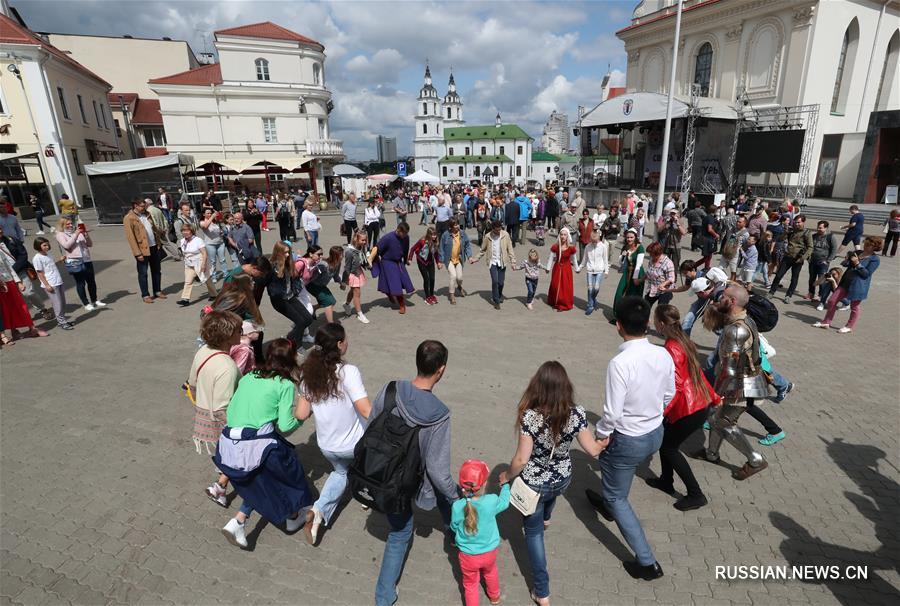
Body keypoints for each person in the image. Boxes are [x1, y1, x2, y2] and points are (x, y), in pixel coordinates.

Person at [584, 296, 673, 581]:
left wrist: (601, 437)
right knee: (616, 477)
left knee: (617, 495)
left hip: (628, 439)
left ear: (618, 326)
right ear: (647, 324)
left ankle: (647, 563)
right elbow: (670, 393)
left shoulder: (620, 363)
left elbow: (610, 413)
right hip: (655, 433)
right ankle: (607, 502)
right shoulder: (663, 354)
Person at [502, 361, 605, 605]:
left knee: (533, 535)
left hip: (535, 484)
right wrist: (603, 442)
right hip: (562, 479)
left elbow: (521, 459)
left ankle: (542, 592)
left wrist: (506, 476)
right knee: (550, 498)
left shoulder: (531, 417)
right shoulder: (577, 412)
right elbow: (592, 450)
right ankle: (547, 516)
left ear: (538, 386)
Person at [372, 340, 459, 606]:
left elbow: (371, 426)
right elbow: (437, 471)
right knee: (403, 532)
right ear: (441, 370)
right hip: (412, 480)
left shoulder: (390, 389)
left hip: (383, 474)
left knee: (400, 525)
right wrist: (458, 496)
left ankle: (385, 597)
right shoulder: (439, 414)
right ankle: (458, 532)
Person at [214, 339, 313, 549]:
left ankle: (239, 521)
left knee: (259, 479)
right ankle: (293, 514)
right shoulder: (285, 384)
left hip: (228, 442)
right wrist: (304, 415)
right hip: (256, 445)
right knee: (288, 475)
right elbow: (286, 425)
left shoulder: (250, 375)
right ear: (291, 358)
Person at [295, 323, 371, 546]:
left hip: (327, 446)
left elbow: (301, 413)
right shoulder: (348, 372)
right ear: (339, 345)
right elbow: (366, 410)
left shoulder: (307, 374)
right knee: (365, 465)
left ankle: (317, 512)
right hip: (354, 445)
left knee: (340, 473)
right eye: (345, 339)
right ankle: (366, 494)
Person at [645, 305, 720, 511]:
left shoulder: (672, 348)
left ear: (661, 324)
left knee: (670, 448)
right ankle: (666, 481)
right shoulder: (683, 341)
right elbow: (698, 372)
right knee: (665, 442)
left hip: (688, 408)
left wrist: (663, 412)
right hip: (699, 402)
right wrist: (713, 396)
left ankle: (696, 494)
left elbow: (676, 386)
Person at [696, 285, 769, 480]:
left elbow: (729, 368)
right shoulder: (745, 319)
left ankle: (755, 459)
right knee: (716, 418)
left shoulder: (735, 330)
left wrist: (716, 393)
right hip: (744, 379)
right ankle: (711, 454)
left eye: (723, 297)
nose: (719, 299)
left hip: (740, 384)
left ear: (733, 301)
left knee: (723, 422)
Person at [189, 311, 242, 504]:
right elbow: (224, 408)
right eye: (239, 330)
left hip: (204, 413)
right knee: (241, 454)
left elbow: (192, 385)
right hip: (223, 421)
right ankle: (222, 481)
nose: (242, 332)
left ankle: (220, 486)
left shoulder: (202, 351)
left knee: (231, 454)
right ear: (228, 336)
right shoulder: (227, 366)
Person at [451, 459, 509, 606]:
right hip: (489, 552)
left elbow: (453, 526)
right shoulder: (491, 501)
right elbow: (504, 502)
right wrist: (505, 485)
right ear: (484, 484)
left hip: (467, 555)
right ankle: (494, 597)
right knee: (490, 573)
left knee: (470, 584)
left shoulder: (458, 506)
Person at [813, 237, 882, 333]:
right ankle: (826, 322)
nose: (865, 246)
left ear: (875, 247)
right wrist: (847, 260)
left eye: (868, 245)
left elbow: (866, 274)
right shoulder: (858, 252)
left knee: (854, 307)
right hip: (845, 282)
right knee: (832, 301)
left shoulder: (875, 259)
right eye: (865, 244)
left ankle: (849, 326)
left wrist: (857, 264)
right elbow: (846, 264)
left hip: (858, 286)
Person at [265, 241, 315, 344]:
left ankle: (289, 338)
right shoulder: (271, 267)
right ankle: (296, 345)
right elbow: (265, 284)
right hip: (280, 301)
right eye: (285, 253)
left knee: (308, 319)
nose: (288, 255)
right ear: (278, 253)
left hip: (290, 296)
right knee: (300, 322)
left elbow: (294, 278)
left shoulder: (289, 262)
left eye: (289, 252)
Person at [0, 235, 47, 341]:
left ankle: (32, 328)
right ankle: (14, 332)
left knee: (22, 304)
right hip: (2, 284)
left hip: (12, 279)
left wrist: (17, 281)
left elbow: (11, 265)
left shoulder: (10, 239)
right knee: (7, 308)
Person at [54, 219, 106, 312]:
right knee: (81, 283)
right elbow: (66, 245)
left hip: (87, 259)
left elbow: (89, 244)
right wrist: (76, 234)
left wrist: (86, 234)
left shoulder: (78, 231)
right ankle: (86, 303)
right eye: (68, 224)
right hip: (75, 262)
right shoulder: (60, 234)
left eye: (71, 223)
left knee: (91, 282)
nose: (70, 225)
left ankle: (94, 300)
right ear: (62, 225)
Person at [123, 198, 166, 304]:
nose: (144, 208)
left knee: (156, 271)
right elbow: (131, 238)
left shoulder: (147, 214)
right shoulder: (129, 218)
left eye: (145, 206)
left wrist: (159, 238)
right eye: (142, 206)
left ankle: (157, 291)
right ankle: (145, 295)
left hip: (154, 246)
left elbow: (153, 228)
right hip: (142, 250)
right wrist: (137, 253)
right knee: (143, 273)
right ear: (135, 206)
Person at [468, 220, 517, 310]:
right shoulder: (487, 236)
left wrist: (513, 262)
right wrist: (475, 259)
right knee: (495, 281)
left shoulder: (505, 235)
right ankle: (496, 301)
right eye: (496, 230)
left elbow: (510, 250)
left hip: (502, 262)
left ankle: (498, 294)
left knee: (501, 283)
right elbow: (482, 250)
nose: (498, 232)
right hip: (492, 262)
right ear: (493, 229)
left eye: (499, 229)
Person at [767, 214, 813, 304]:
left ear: (803, 222)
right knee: (778, 275)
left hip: (798, 259)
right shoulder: (791, 230)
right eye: (795, 222)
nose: (796, 224)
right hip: (787, 256)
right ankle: (771, 292)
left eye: (799, 222)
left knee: (794, 278)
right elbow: (780, 239)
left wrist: (803, 258)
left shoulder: (807, 233)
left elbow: (810, 247)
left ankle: (788, 295)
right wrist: (786, 232)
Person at [370, 223, 414, 314]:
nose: (405, 236)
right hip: (388, 262)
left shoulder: (406, 237)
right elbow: (376, 248)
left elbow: (406, 249)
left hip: (398, 262)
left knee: (402, 281)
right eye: (404, 233)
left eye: (406, 233)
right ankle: (401, 305)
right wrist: (370, 259)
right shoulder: (388, 238)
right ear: (398, 230)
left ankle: (394, 296)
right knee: (394, 284)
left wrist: (405, 260)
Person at [31, 237, 74, 330]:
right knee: (57, 304)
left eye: (47, 244)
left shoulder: (49, 254)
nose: (47, 246)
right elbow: (40, 273)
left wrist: (60, 260)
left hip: (58, 281)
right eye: (44, 245)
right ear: (38, 246)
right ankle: (62, 322)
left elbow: (52, 266)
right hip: (51, 283)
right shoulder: (37, 258)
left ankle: (62, 321)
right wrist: (46, 285)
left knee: (62, 302)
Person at [177, 223, 217, 307]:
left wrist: (203, 264)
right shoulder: (182, 241)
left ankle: (214, 294)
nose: (185, 232)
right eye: (183, 231)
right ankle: (185, 299)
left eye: (187, 230)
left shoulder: (198, 240)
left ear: (191, 231)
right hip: (189, 263)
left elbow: (204, 253)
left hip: (199, 262)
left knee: (206, 279)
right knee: (188, 281)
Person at [301, 245, 343, 323]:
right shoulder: (323, 265)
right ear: (334, 256)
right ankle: (331, 324)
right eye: (340, 255)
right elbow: (311, 276)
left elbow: (336, 276)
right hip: (313, 285)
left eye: (342, 254)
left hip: (321, 286)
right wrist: (302, 287)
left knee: (331, 301)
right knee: (329, 302)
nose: (342, 256)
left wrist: (341, 283)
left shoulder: (338, 263)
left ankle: (313, 308)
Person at [610, 229, 645, 323]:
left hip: (637, 273)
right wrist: (623, 256)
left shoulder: (640, 247)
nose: (629, 239)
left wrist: (635, 277)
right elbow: (621, 262)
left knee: (633, 296)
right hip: (627, 272)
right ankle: (619, 316)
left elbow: (639, 263)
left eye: (631, 237)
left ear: (635, 237)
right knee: (620, 293)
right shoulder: (625, 247)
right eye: (628, 237)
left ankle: (632, 318)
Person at [576, 229, 609, 316]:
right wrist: (580, 267)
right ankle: (590, 305)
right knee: (590, 288)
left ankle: (593, 299)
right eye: (592, 241)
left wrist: (606, 270)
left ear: (599, 238)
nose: (594, 242)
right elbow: (584, 259)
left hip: (599, 270)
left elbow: (605, 259)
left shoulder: (603, 246)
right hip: (590, 270)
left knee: (596, 288)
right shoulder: (588, 247)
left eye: (596, 241)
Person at [439, 219, 472, 305]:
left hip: (459, 259)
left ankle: (459, 287)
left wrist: (469, 256)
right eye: (455, 225)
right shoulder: (445, 235)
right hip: (449, 259)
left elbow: (467, 245)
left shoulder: (462, 233)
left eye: (458, 224)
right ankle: (452, 295)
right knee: (453, 276)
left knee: (459, 277)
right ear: (451, 227)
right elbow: (441, 248)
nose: (457, 226)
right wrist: (441, 261)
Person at [546, 227, 577, 312]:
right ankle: (554, 300)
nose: (563, 236)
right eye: (561, 234)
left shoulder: (571, 248)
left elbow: (574, 259)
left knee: (565, 287)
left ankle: (562, 304)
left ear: (567, 236)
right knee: (555, 285)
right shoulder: (555, 247)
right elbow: (551, 257)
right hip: (557, 268)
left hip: (567, 269)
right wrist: (548, 268)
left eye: (564, 235)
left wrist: (577, 269)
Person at [341, 230, 370, 324]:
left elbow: (362, 258)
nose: (364, 242)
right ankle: (360, 314)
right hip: (352, 274)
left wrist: (367, 265)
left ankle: (346, 304)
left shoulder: (361, 247)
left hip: (358, 272)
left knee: (353, 291)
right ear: (356, 239)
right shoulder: (349, 251)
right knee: (357, 293)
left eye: (365, 240)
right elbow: (347, 267)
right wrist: (344, 282)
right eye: (362, 240)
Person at [408, 226, 441, 305]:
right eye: (432, 235)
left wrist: (438, 262)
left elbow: (436, 254)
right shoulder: (422, 241)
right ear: (428, 235)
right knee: (426, 279)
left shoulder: (435, 242)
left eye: (435, 235)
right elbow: (412, 249)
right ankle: (427, 297)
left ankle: (432, 295)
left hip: (430, 261)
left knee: (432, 279)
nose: (434, 236)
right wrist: (410, 259)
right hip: (421, 261)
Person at [200, 209, 229, 282]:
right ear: (204, 214)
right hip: (210, 244)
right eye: (208, 213)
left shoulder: (215, 222)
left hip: (220, 243)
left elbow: (220, 231)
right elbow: (206, 226)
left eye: (211, 213)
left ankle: (226, 274)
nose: (210, 214)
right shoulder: (202, 222)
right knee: (212, 261)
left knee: (222, 260)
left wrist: (221, 233)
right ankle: (214, 276)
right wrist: (212, 217)